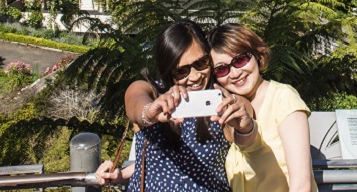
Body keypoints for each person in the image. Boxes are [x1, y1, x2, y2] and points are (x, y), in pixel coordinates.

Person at [96, 20, 257, 191]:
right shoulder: (152, 94)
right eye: (182, 71)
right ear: (168, 70)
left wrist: (244, 126)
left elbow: (246, 139)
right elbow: (136, 104)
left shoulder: (221, 102)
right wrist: (150, 114)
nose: (195, 76)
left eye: (201, 63)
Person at [207, 24, 318, 192]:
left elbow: (301, 184)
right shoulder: (229, 110)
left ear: (257, 55)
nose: (235, 73)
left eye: (240, 60)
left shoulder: (283, 98)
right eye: (222, 69)